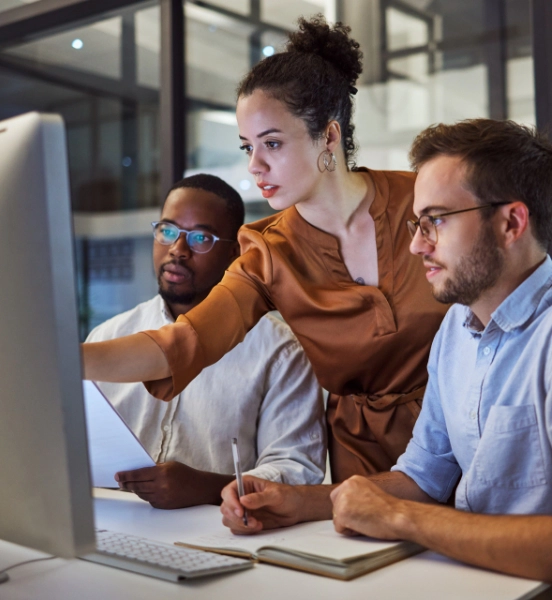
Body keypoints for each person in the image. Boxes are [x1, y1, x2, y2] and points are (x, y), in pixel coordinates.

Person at [82, 16, 447, 510]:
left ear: (329, 137)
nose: (255, 166)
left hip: (460, 437)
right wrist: (65, 359)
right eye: (248, 147)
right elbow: (183, 342)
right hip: (359, 466)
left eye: (272, 143)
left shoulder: (422, 201)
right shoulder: (268, 249)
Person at [283, 118, 552, 582]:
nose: (415, 245)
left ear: (511, 222)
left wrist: (399, 519)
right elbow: (425, 475)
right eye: (416, 223)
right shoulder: (456, 328)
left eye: (436, 221)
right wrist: (295, 504)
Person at [86, 174, 326, 509]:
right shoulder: (109, 336)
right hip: (110, 521)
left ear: (234, 253)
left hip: (220, 532)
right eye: (167, 231)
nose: (178, 250)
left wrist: (207, 488)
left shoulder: (280, 351)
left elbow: (298, 470)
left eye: (201, 238)